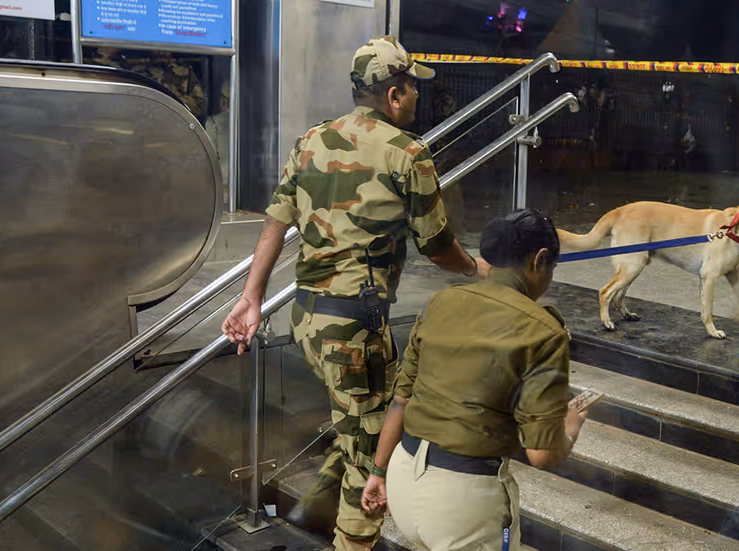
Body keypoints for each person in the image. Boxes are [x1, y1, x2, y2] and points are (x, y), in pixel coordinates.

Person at [222, 36, 489, 551]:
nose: (417, 95)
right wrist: (475, 269)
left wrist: (252, 297)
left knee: (361, 418)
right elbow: (437, 245)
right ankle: (349, 537)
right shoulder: (408, 152)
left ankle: (314, 506)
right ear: (393, 95)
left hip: (308, 319)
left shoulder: (311, 140)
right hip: (354, 334)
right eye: (412, 87)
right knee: (373, 458)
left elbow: (275, 222)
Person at [359, 210, 589, 551]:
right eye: (552, 268)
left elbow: (401, 401)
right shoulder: (543, 330)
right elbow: (542, 454)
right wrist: (568, 428)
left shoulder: (440, 302)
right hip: (463, 503)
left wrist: (377, 473)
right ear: (540, 260)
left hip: (402, 478)